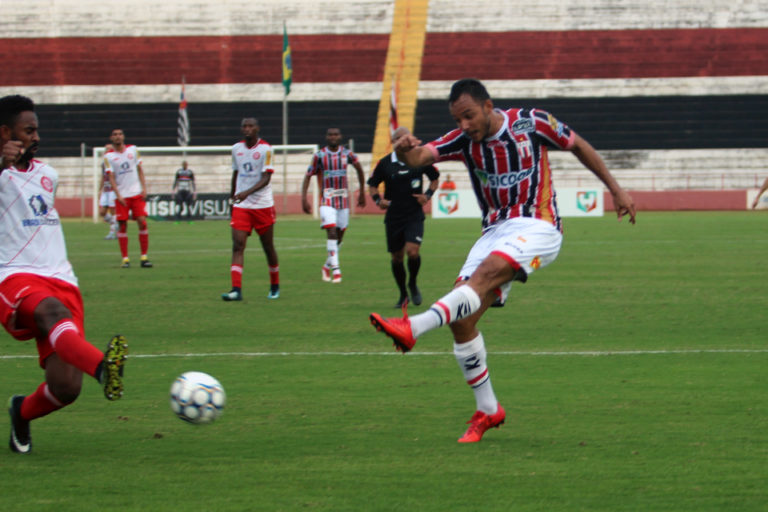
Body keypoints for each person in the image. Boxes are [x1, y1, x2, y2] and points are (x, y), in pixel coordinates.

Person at [369, 79, 636, 443]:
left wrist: (616, 189)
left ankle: (412, 328)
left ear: (487, 105)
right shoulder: (462, 140)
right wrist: (402, 146)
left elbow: (578, 145)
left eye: (468, 116)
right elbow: (418, 158)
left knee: (486, 273)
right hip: (493, 232)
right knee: (462, 320)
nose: (464, 125)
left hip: (538, 225)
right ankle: (489, 410)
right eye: (457, 119)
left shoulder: (532, 122)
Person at [0, 95, 128, 454]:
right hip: (14, 277)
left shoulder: (47, 174)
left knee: (66, 388)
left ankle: (20, 412)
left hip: (62, 280)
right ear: (6, 132)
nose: (36, 136)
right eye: (29, 130)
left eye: (37, 129)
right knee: (51, 312)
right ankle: (104, 369)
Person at [368, 127, 440, 308]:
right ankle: (403, 294)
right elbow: (373, 185)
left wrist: (427, 196)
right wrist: (378, 200)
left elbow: (434, 179)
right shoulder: (384, 164)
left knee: (412, 252)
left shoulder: (419, 160)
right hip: (394, 217)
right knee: (397, 258)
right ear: (394, 142)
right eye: (399, 138)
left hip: (414, 214)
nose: (404, 141)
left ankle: (413, 283)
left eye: (406, 137)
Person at [222, 117, 280, 301]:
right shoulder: (236, 149)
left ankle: (274, 285)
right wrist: (232, 198)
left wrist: (246, 192)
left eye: (251, 126)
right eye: (244, 126)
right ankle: (236, 290)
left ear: (257, 128)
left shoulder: (266, 149)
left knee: (268, 247)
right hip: (242, 205)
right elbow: (236, 173)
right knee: (238, 246)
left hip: (262, 205)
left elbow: (266, 179)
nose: (247, 129)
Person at [301, 127, 366, 283]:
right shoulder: (320, 156)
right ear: (326, 137)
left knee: (339, 238)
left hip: (343, 201)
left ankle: (326, 266)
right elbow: (308, 175)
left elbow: (360, 170)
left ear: (340, 136)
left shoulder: (348, 154)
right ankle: (336, 271)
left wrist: (363, 191)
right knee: (331, 233)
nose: (333, 137)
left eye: (336, 134)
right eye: (330, 134)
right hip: (326, 200)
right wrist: (304, 198)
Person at [104, 128, 152, 268]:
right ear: (111, 138)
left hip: (136, 193)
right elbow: (111, 177)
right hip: (122, 196)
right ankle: (125, 259)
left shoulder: (133, 150)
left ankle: (144, 257)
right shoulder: (109, 157)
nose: (118, 137)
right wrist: (118, 195)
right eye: (115, 135)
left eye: (120, 134)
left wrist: (144, 188)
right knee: (122, 226)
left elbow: (140, 170)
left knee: (142, 222)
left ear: (123, 137)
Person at [98, 144, 117, 239]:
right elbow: (103, 177)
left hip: (113, 190)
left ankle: (112, 232)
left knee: (113, 211)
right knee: (102, 212)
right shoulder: (103, 164)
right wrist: (99, 189)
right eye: (106, 149)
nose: (107, 150)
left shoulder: (115, 161)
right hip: (105, 190)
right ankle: (116, 224)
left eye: (109, 149)